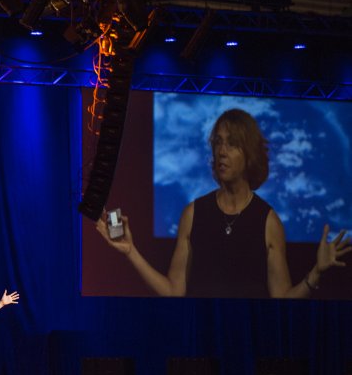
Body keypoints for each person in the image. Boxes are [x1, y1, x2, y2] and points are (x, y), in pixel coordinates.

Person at [96, 108, 350, 298]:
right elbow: (174, 291)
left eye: (232, 144)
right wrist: (132, 253)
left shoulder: (268, 221)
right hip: (201, 343)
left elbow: (282, 300)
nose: (221, 151)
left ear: (249, 154)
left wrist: (317, 272)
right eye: (218, 142)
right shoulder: (193, 214)